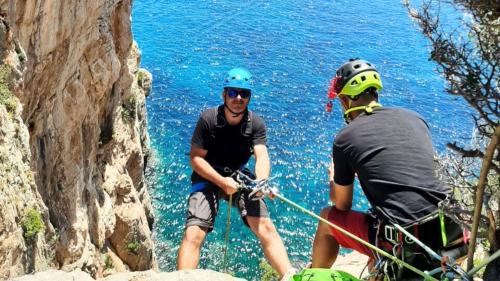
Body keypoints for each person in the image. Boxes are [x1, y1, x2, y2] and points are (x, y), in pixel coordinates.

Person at [312, 59, 458, 276]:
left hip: (408, 241)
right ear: (375, 92)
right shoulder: (415, 118)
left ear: (344, 100)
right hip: (453, 230)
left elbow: (342, 205)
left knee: (327, 219)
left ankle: (314, 276)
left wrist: (333, 178)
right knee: (377, 224)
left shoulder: (345, 138)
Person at [176, 67, 294, 279]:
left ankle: (289, 276)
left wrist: (262, 181)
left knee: (266, 226)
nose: (238, 98)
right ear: (224, 94)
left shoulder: (255, 123)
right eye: (233, 93)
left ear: (249, 97)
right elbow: (195, 158)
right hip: (209, 175)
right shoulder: (208, 119)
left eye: (244, 93)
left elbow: (262, 155)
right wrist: (221, 182)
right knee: (194, 233)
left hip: (240, 176)